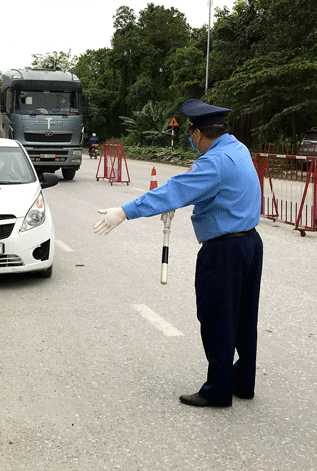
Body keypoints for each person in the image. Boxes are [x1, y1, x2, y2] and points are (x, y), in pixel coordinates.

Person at [94, 99, 263, 408]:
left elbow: (174, 190)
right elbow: (209, 192)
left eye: (190, 133)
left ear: (197, 134)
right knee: (243, 317)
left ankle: (218, 390)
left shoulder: (214, 162)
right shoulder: (237, 149)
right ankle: (243, 382)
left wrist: (124, 211)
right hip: (250, 243)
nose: (190, 139)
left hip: (224, 250)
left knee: (217, 318)